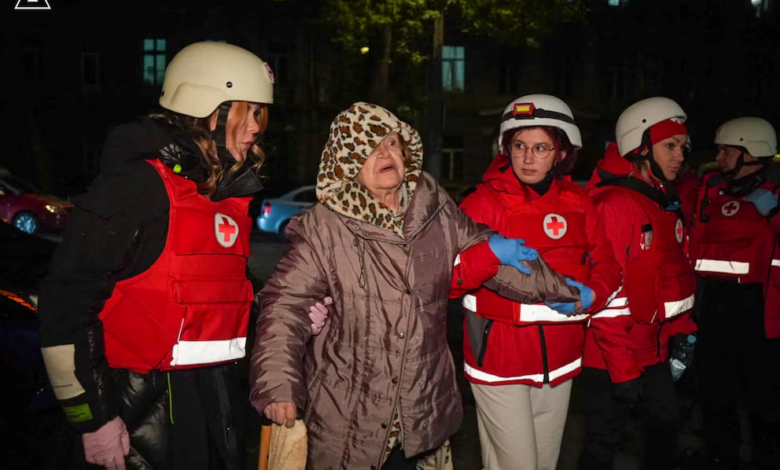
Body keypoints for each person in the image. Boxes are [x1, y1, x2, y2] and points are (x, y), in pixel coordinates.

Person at [249, 102, 579, 470]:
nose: (385, 153)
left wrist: (567, 291)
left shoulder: (434, 208)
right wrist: (278, 386)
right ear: (347, 162)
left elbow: (500, 262)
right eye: (371, 148)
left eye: (391, 142)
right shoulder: (324, 228)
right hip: (348, 412)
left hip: (421, 409)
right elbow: (284, 306)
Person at [37, 41, 274, 470]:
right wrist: (92, 419)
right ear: (209, 109)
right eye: (246, 110)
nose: (256, 125)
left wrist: (278, 312)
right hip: (137, 415)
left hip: (211, 408)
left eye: (260, 112)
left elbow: (213, 303)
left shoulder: (222, 197)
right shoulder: (137, 187)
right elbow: (65, 304)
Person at [450, 94, 623, 470]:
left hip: (560, 361)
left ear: (561, 152)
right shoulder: (482, 203)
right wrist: (489, 253)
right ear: (506, 149)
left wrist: (593, 294)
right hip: (499, 360)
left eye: (540, 147)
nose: (528, 158)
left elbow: (608, 263)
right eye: (519, 146)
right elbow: (448, 279)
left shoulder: (579, 202)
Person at [581, 97, 698, 469]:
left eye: (683, 147)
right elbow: (605, 294)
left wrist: (683, 332)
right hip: (612, 355)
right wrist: (623, 370)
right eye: (670, 146)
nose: (680, 156)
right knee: (603, 445)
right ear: (640, 148)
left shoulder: (661, 202)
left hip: (653, 349)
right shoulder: (616, 205)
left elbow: (672, 277)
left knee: (664, 433)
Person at [688, 116, 780, 469]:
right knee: (714, 393)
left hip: (759, 311)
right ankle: (719, 457)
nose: (720, 157)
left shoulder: (774, 193)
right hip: (713, 305)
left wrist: (775, 215)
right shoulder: (712, 187)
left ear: (753, 152)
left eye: (728, 150)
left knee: (763, 400)